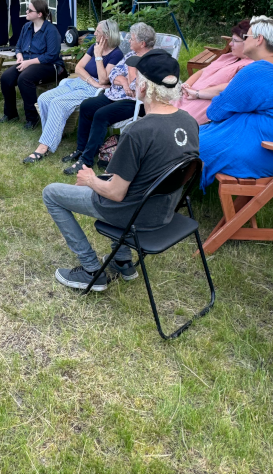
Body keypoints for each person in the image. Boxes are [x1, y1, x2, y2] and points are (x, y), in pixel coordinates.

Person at [43, 48, 199, 292]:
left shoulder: (138, 131)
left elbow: (115, 194)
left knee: (51, 193)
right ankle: (123, 261)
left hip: (134, 215)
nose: (133, 81)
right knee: (115, 180)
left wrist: (90, 179)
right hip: (164, 210)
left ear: (145, 88)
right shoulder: (189, 121)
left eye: (137, 78)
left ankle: (90, 270)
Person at [199, 15, 273, 190]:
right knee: (190, 138)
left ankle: (161, 195)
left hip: (261, 150)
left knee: (186, 142)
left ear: (259, 40)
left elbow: (216, 112)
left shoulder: (257, 70)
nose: (244, 40)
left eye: (246, 37)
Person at [23, 19, 124, 163]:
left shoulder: (116, 54)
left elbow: (103, 80)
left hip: (92, 90)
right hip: (81, 82)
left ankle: (43, 148)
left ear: (106, 36)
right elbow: (78, 68)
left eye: (98, 32)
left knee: (58, 103)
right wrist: (91, 80)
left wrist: (99, 57)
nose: (94, 33)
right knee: (44, 99)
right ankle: (55, 134)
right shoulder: (94, 47)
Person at [62, 22, 156, 175]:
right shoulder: (131, 55)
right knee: (87, 106)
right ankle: (81, 149)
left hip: (134, 102)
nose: (129, 42)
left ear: (142, 43)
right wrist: (124, 81)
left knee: (101, 115)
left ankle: (86, 161)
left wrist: (129, 76)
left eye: (132, 39)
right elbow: (112, 74)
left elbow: (137, 88)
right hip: (115, 94)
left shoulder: (151, 60)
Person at [0, 0, 64, 130]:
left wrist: (28, 63)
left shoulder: (50, 30)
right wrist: (20, 55)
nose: (26, 12)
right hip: (28, 63)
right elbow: (18, 47)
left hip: (50, 66)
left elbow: (51, 55)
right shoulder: (26, 27)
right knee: (6, 77)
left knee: (24, 78)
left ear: (39, 14)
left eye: (29, 10)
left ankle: (33, 119)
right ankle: (11, 114)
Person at [173, 20, 253, 125]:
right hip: (188, 94)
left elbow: (231, 88)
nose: (230, 44)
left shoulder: (250, 66)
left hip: (203, 102)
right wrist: (187, 84)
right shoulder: (228, 57)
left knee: (175, 122)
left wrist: (197, 94)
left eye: (234, 40)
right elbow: (203, 71)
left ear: (249, 43)